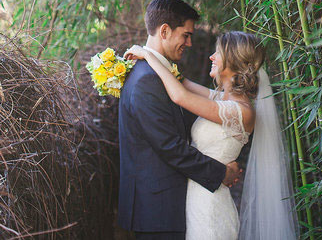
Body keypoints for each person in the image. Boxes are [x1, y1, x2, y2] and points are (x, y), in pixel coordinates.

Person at [126, 29, 299, 240]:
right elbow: (180, 82)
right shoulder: (220, 98)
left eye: (217, 53)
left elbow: (180, 96)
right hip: (198, 197)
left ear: (234, 60)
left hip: (210, 208)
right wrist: (149, 54)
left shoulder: (241, 111)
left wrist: (149, 56)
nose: (211, 57)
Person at [117, 0, 241, 240]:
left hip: (162, 207)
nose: (190, 43)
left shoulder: (154, 74)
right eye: (186, 35)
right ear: (164, 31)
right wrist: (220, 173)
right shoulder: (146, 80)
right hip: (158, 211)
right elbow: (170, 146)